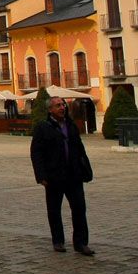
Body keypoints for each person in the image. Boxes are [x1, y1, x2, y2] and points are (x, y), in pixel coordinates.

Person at [30, 97, 95, 256]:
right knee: (54, 210)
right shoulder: (43, 127)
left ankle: (81, 243)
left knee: (79, 209)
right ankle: (58, 241)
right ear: (50, 109)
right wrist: (41, 175)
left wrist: (85, 169)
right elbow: (36, 153)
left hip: (73, 175)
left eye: (63, 105)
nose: (62, 108)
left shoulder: (71, 125)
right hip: (54, 176)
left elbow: (80, 149)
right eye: (58, 105)